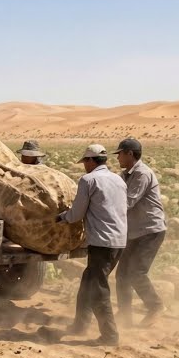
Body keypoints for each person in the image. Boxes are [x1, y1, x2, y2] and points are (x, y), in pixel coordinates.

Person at [44, 144, 128, 346]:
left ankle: (110, 336)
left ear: (91, 161)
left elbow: (76, 214)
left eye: (85, 162)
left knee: (98, 288)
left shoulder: (89, 180)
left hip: (102, 241)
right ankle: (80, 325)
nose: (84, 166)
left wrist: (61, 217)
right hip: (119, 240)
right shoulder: (118, 179)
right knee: (88, 280)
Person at [113, 138, 168, 327]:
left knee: (136, 272)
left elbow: (128, 202)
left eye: (120, 153)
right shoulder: (125, 174)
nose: (118, 157)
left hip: (150, 230)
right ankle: (124, 314)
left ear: (129, 154)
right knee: (122, 274)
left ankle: (156, 306)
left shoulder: (142, 174)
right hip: (134, 232)